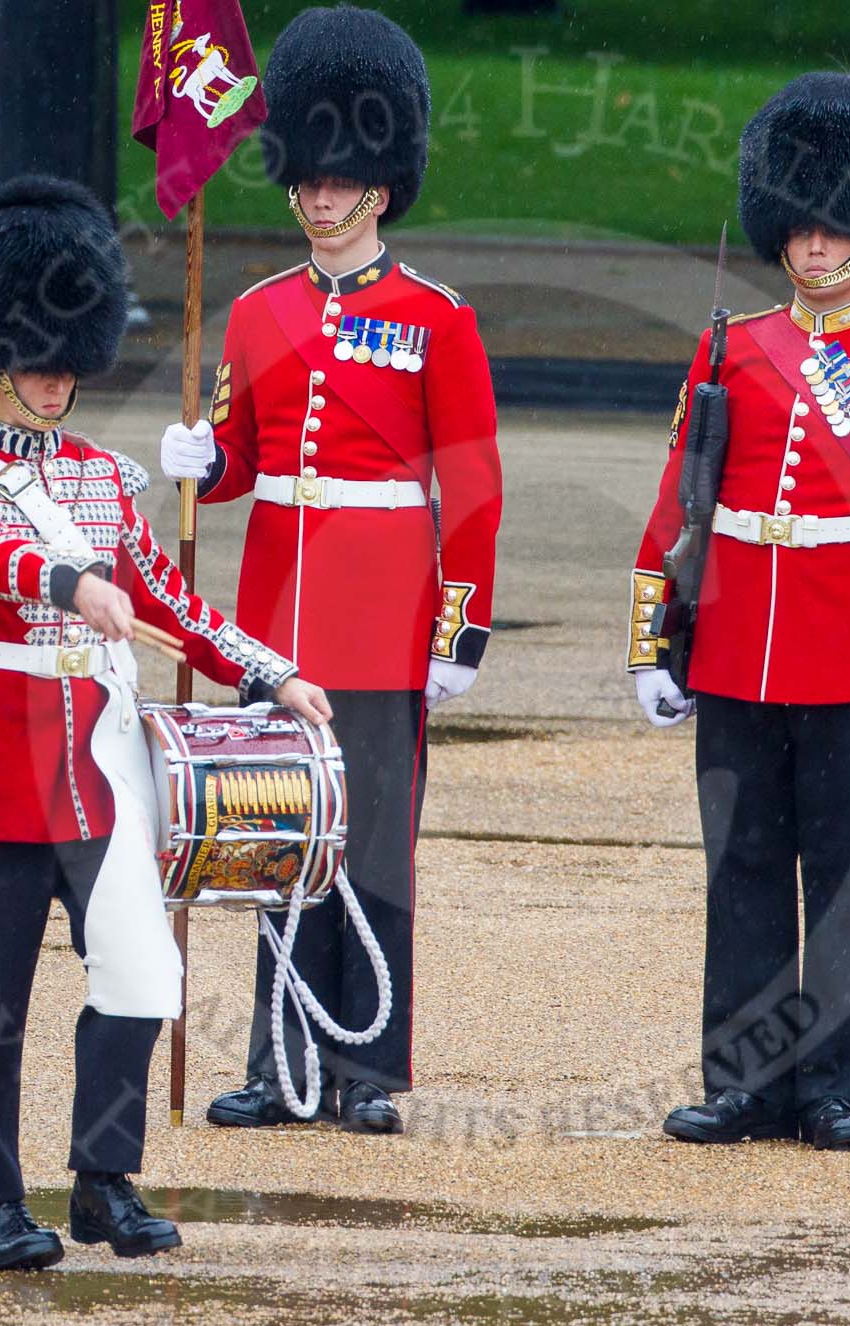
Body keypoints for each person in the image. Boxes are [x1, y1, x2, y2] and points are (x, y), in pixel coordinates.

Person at [0, 176, 331, 1268]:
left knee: (136, 969)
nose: (58, 382)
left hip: (107, 761)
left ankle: (103, 1179)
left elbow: (173, 606)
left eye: (69, 361)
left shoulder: (105, 480)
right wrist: (72, 580)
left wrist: (270, 676)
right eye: (38, 362)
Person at [156, 6, 503, 1136]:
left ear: (381, 189)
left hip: (384, 611)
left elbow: (473, 490)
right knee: (272, 837)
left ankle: (367, 1068)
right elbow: (238, 468)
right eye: (305, 176)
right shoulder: (255, 313)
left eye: (338, 179)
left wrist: (456, 629)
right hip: (273, 621)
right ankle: (275, 1057)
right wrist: (196, 468)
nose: (316, 196)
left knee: (368, 844)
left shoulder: (434, 318)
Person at [628, 72, 850, 1151]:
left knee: (838, 875)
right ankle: (741, 1081)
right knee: (739, 872)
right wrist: (651, 639)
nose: (813, 249)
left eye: (835, 231)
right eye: (801, 230)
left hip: (846, 644)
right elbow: (681, 490)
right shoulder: (731, 346)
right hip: (733, 640)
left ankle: (831, 1086)